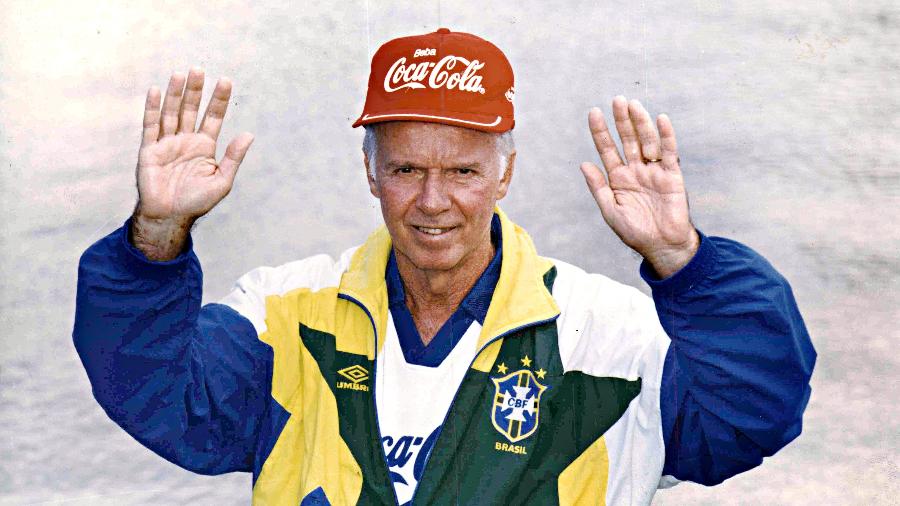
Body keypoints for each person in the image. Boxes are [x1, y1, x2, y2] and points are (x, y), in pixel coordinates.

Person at [73, 29, 815, 505]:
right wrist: (158, 235)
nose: (433, 202)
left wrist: (686, 264)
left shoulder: (610, 336)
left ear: (505, 172)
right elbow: (155, 391)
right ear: (370, 174)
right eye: (405, 169)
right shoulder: (287, 314)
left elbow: (754, 415)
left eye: (462, 171)